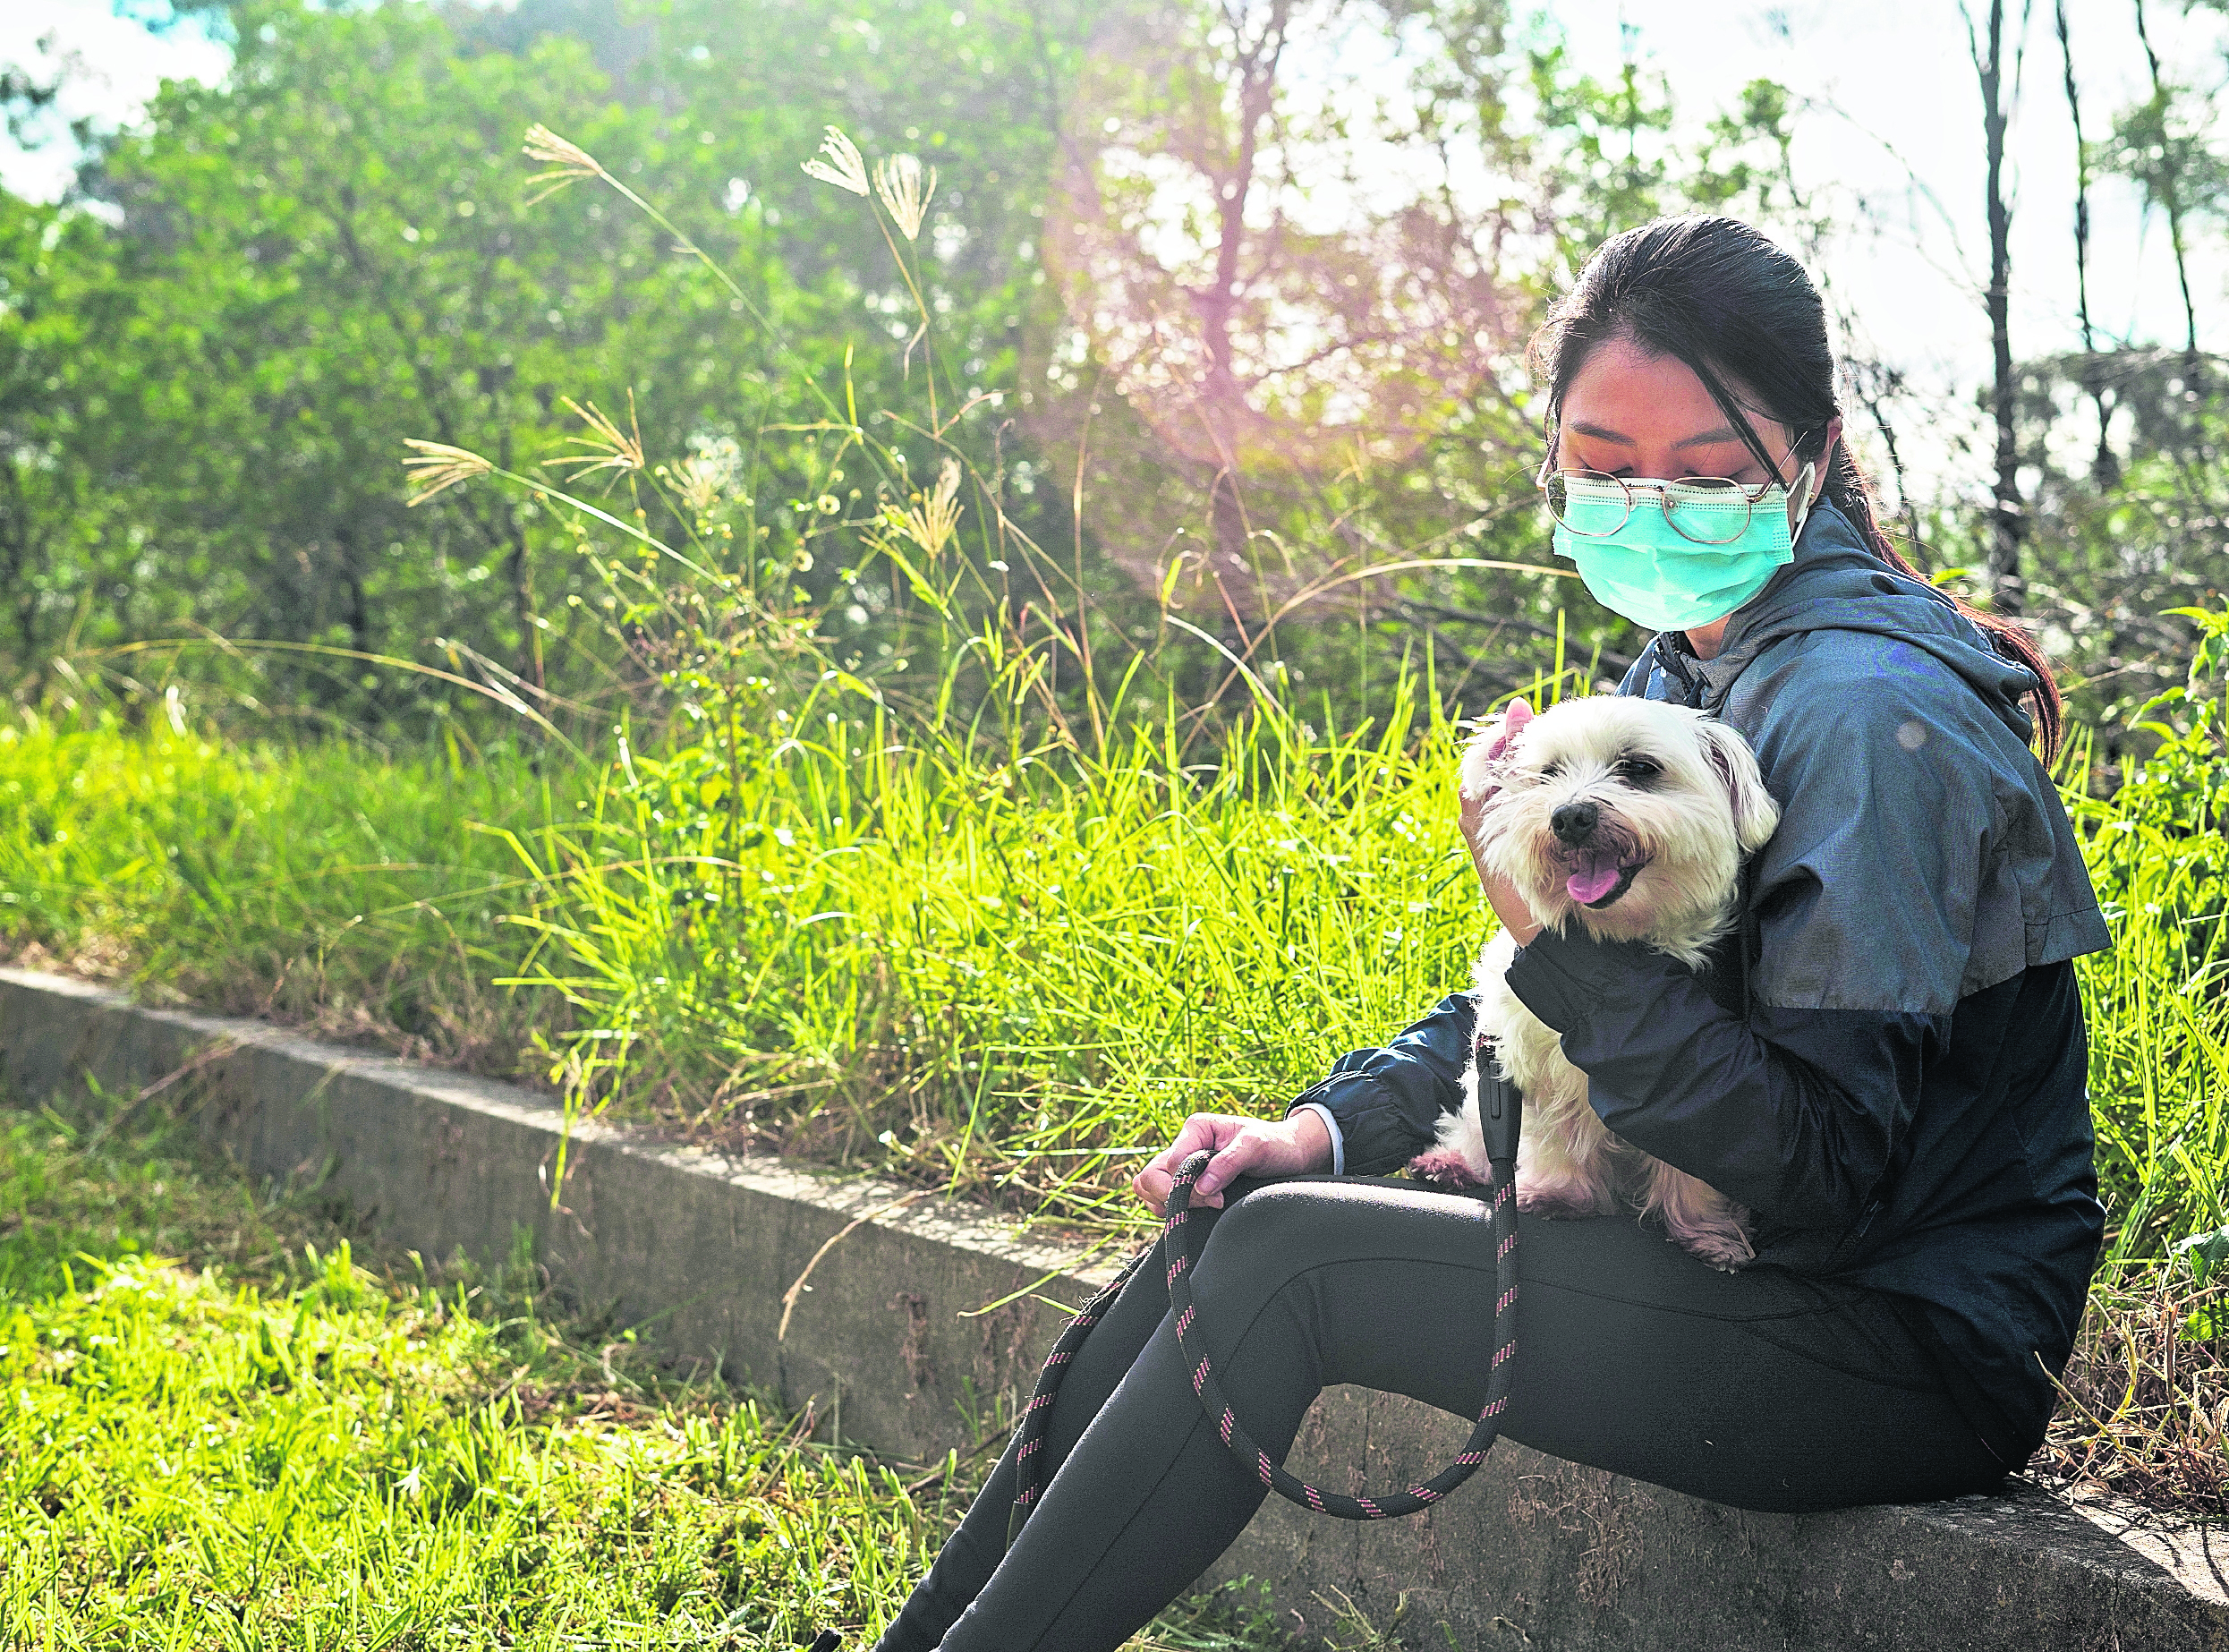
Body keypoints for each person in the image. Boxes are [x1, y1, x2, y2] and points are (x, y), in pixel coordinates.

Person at [871, 215, 2109, 1652]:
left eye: (1704, 473)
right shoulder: (1693, 664)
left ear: (1813, 456)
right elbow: (1542, 1012)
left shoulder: (1856, 714)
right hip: (1744, 1268)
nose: (1649, 506)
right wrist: (1318, 1131)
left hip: (1892, 1339)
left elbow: (1819, 1173)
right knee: (1246, 1213)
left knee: (1295, 1268)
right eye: (1599, 466)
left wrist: (1546, 931)